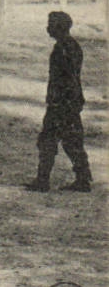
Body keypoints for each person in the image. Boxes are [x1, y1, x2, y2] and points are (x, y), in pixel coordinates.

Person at [25, 11, 92, 193]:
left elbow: (66, 78)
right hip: (70, 101)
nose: (48, 28)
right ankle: (83, 178)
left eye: (51, 24)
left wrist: (58, 101)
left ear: (59, 27)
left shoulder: (63, 49)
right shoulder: (72, 46)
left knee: (48, 140)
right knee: (72, 140)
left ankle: (43, 180)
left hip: (62, 102)